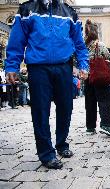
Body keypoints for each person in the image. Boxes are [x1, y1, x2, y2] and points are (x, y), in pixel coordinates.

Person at [4, 0, 89, 169]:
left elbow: (79, 43)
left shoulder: (69, 12)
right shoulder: (27, 9)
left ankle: (61, 143)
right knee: (40, 109)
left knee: (66, 107)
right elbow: (17, 40)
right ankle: (46, 153)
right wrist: (12, 65)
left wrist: (83, 64)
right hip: (38, 67)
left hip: (64, 65)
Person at [84, 20, 110, 137]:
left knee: (90, 103)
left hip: (88, 78)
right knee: (104, 101)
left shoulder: (82, 46)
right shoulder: (101, 45)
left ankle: (90, 127)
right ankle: (105, 125)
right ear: (96, 32)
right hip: (101, 77)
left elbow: (75, 61)